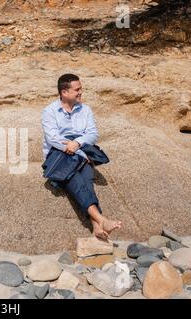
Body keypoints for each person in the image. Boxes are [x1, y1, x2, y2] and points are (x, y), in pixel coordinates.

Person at [41, 73, 122, 240]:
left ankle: (96, 227)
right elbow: (53, 138)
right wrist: (74, 148)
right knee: (74, 179)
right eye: (77, 89)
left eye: (80, 89)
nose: (80, 92)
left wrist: (77, 144)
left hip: (79, 149)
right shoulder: (49, 111)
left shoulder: (85, 110)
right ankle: (100, 219)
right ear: (64, 92)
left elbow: (92, 134)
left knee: (86, 179)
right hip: (59, 153)